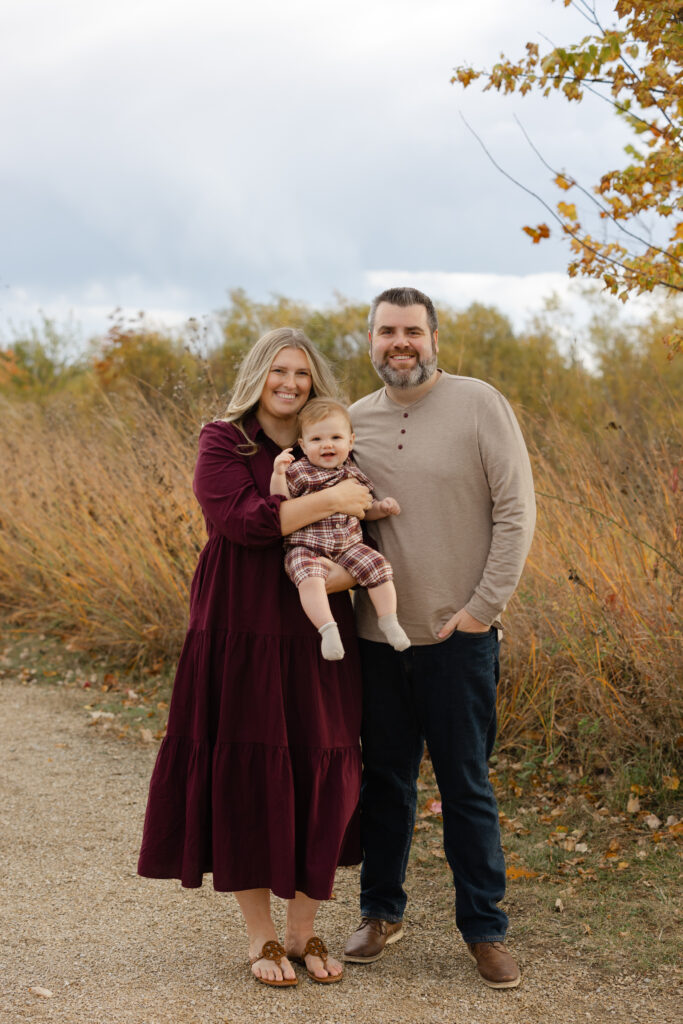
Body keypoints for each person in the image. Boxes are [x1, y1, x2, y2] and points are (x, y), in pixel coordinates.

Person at [138, 328, 374, 987]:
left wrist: (341, 575)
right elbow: (242, 523)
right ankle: (260, 936)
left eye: (301, 372)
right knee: (246, 763)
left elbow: (369, 533)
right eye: (278, 370)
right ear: (257, 376)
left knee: (324, 759)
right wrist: (329, 500)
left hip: (317, 625)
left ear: (314, 381)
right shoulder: (224, 441)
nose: (289, 383)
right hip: (237, 624)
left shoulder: (332, 440)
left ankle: (302, 929)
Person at [343, 287, 536, 990]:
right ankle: (379, 912)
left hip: (459, 636)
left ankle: (484, 929)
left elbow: (516, 510)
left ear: (432, 338)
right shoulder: (351, 421)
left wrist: (482, 609)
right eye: (387, 331)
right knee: (384, 782)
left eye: (412, 332)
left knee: (465, 786)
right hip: (377, 639)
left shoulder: (479, 403)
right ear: (370, 340)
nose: (400, 343)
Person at [270, 397, 410, 661]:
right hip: (306, 547)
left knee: (377, 565)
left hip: (348, 546)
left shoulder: (353, 473)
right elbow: (281, 503)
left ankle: (389, 620)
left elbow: (364, 509)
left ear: (351, 441)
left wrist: (381, 508)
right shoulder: (299, 472)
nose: (327, 445)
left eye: (336, 437)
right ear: (303, 445)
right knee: (308, 577)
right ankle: (328, 629)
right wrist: (278, 475)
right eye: (316, 439)